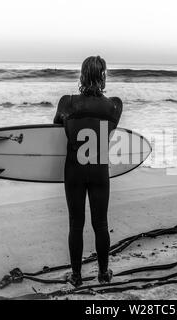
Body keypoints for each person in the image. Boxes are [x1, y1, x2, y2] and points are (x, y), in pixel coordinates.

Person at [53, 56, 122, 287]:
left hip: (74, 170)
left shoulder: (67, 102)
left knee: (76, 223)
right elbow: (108, 130)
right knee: (100, 223)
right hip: (99, 170)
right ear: (103, 76)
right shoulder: (114, 105)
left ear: (82, 75)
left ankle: (76, 277)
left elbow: (55, 128)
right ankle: (103, 274)